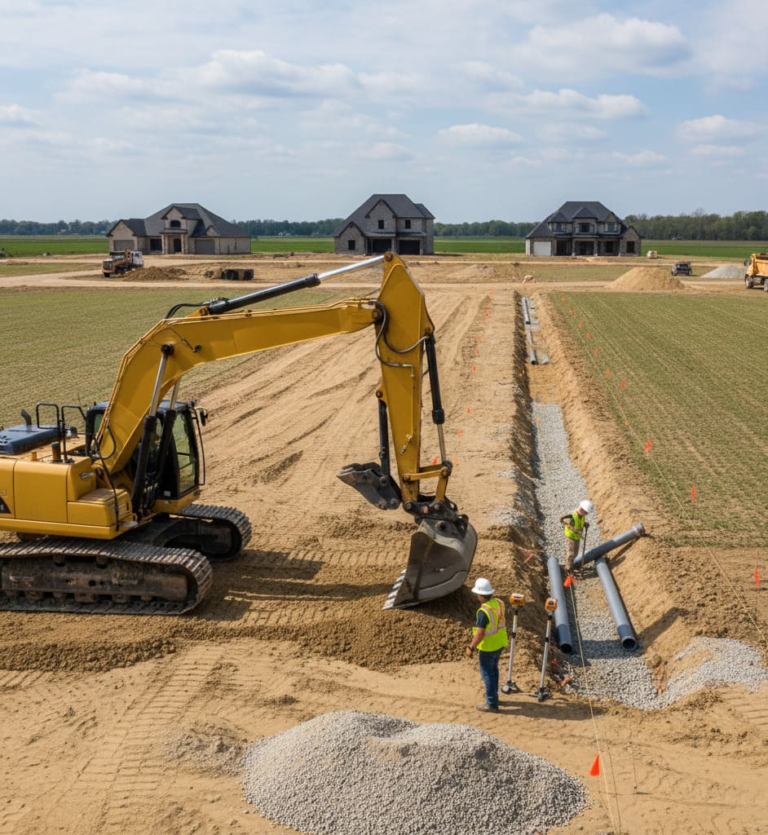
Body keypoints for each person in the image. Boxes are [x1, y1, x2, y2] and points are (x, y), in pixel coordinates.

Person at [466, 578, 508, 713]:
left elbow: (480, 634)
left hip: (489, 647)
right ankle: (494, 696)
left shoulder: (483, 612)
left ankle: (491, 703)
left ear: (480, 595)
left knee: (487, 674)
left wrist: (471, 647)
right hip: (500, 643)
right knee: (493, 670)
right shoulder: (499, 603)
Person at [559, 500, 594, 574]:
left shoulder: (582, 516)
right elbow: (567, 524)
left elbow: (579, 522)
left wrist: (584, 524)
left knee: (575, 554)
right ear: (581, 509)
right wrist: (576, 531)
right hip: (570, 537)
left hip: (577, 537)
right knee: (570, 554)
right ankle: (568, 569)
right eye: (586, 512)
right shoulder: (572, 516)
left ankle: (571, 565)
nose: (586, 514)